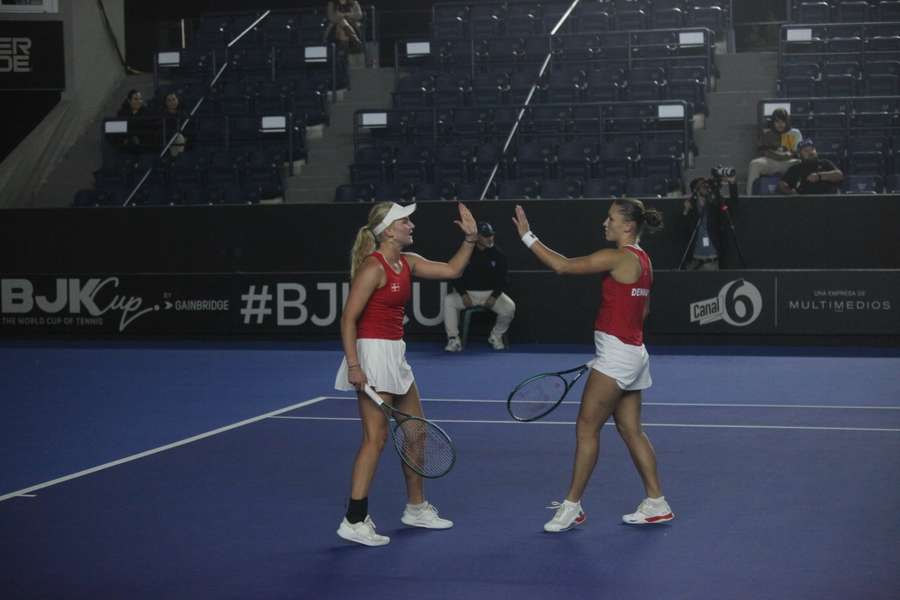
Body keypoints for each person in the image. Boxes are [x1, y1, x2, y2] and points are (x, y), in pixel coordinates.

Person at [512, 199, 674, 532]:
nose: (605, 223)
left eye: (611, 218)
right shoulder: (645, 261)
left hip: (617, 356)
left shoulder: (616, 257)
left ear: (627, 226)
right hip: (631, 352)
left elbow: (562, 266)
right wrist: (611, 347)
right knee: (631, 429)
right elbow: (642, 313)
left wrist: (528, 237)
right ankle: (657, 502)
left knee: (587, 429)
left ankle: (572, 507)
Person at [335, 201, 478, 547]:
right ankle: (354, 519)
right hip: (372, 353)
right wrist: (354, 365)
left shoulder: (408, 262)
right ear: (388, 230)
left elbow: (452, 270)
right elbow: (348, 319)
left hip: (396, 354)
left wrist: (470, 240)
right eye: (405, 220)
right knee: (376, 438)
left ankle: (415, 507)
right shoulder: (374, 267)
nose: (411, 225)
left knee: (416, 432)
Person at [443, 221, 516, 352]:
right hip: (468, 295)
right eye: (486, 236)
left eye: (491, 235)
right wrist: (463, 293)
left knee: (509, 307)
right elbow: (454, 273)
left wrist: (494, 296)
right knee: (449, 301)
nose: (490, 238)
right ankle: (454, 339)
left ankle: (496, 336)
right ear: (477, 237)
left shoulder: (499, 254)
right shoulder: (465, 253)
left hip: (491, 294)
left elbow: (503, 279)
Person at [680, 173, 739, 271]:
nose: (706, 187)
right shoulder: (691, 209)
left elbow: (733, 204)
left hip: (712, 261)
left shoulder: (715, 207)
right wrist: (685, 211)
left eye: (707, 185)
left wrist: (732, 183)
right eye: (702, 185)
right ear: (696, 190)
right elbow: (681, 232)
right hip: (694, 262)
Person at [746, 108, 802, 195]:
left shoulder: (795, 133)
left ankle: (801, 195)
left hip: (789, 163)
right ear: (773, 122)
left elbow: (797, 152)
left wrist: (786, 156)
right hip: (771, 162)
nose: (780, 124)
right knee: (754, 164)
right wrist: (781, 156)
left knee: (800, 163)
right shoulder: (767, 133)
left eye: (783, 121)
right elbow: (764, 152)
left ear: (787, 122)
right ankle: (750, 197)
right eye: (777, 121)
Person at [778, 139, 844, 195]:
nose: (811, 152)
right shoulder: (795, 168)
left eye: (812, 149)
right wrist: (791, 192)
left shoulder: (825, 163)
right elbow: (782, 184)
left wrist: (819, 176)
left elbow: (839, 175)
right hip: (804, 203)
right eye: (806, 151)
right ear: (800, 154)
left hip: (827, 199)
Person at [160, 92, 187, 158]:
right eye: (169, 100)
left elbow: (188, 130)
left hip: (180, 141)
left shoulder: (183, 114)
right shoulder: (162, 115)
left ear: (177, 100)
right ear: (165, 103)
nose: (172, 102)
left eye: (174, 99)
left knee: (179, 138)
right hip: (167, 141)